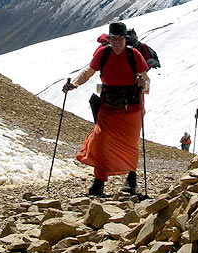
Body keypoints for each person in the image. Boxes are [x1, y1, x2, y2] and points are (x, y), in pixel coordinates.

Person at [63, 21, 150, 196]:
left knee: (130, 144)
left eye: (119, 38)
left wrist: (143, 83)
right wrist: (75, 84)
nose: (116, 42)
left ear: (125, 39)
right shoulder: (103, 53)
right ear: (109, 39)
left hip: (131, 108)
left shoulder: (134, 55)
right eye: (113, 38)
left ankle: (130, 180)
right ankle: (99, 181)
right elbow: (88, 71)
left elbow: (146, 81)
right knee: (101, 140)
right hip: (109, 106)